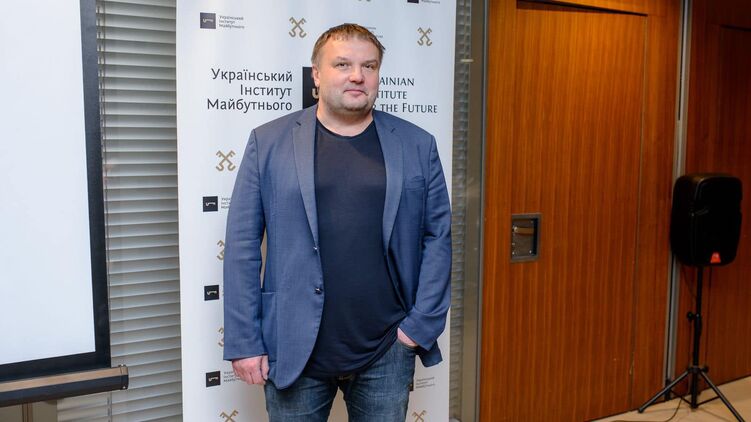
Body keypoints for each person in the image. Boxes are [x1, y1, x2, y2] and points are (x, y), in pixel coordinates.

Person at [223, 23, 451, 421]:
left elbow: (438, 238)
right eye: (342, 64)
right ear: (316, 74)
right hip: (294, 346)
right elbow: (242, 245)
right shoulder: (268, 142)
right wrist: (245, 340)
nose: (357, 75)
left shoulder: (417, 144)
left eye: (369, 66)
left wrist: (418, 328)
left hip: (387, 348)